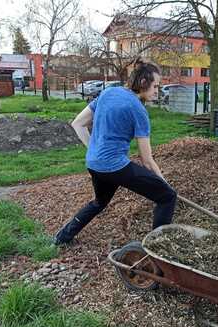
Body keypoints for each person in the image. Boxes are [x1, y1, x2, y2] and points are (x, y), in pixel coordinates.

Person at [53, 59, 177, 246]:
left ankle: (62, 238)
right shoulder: (138, 110)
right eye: (156, 86)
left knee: (99, 202)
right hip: (114, 167)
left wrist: (94, 150)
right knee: (167, 197)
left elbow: (77, 124)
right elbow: (147, 160)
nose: (157, 91)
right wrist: (165, 184)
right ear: (143, 83)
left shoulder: (108, 92)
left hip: (93, 164)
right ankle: (157, 249)